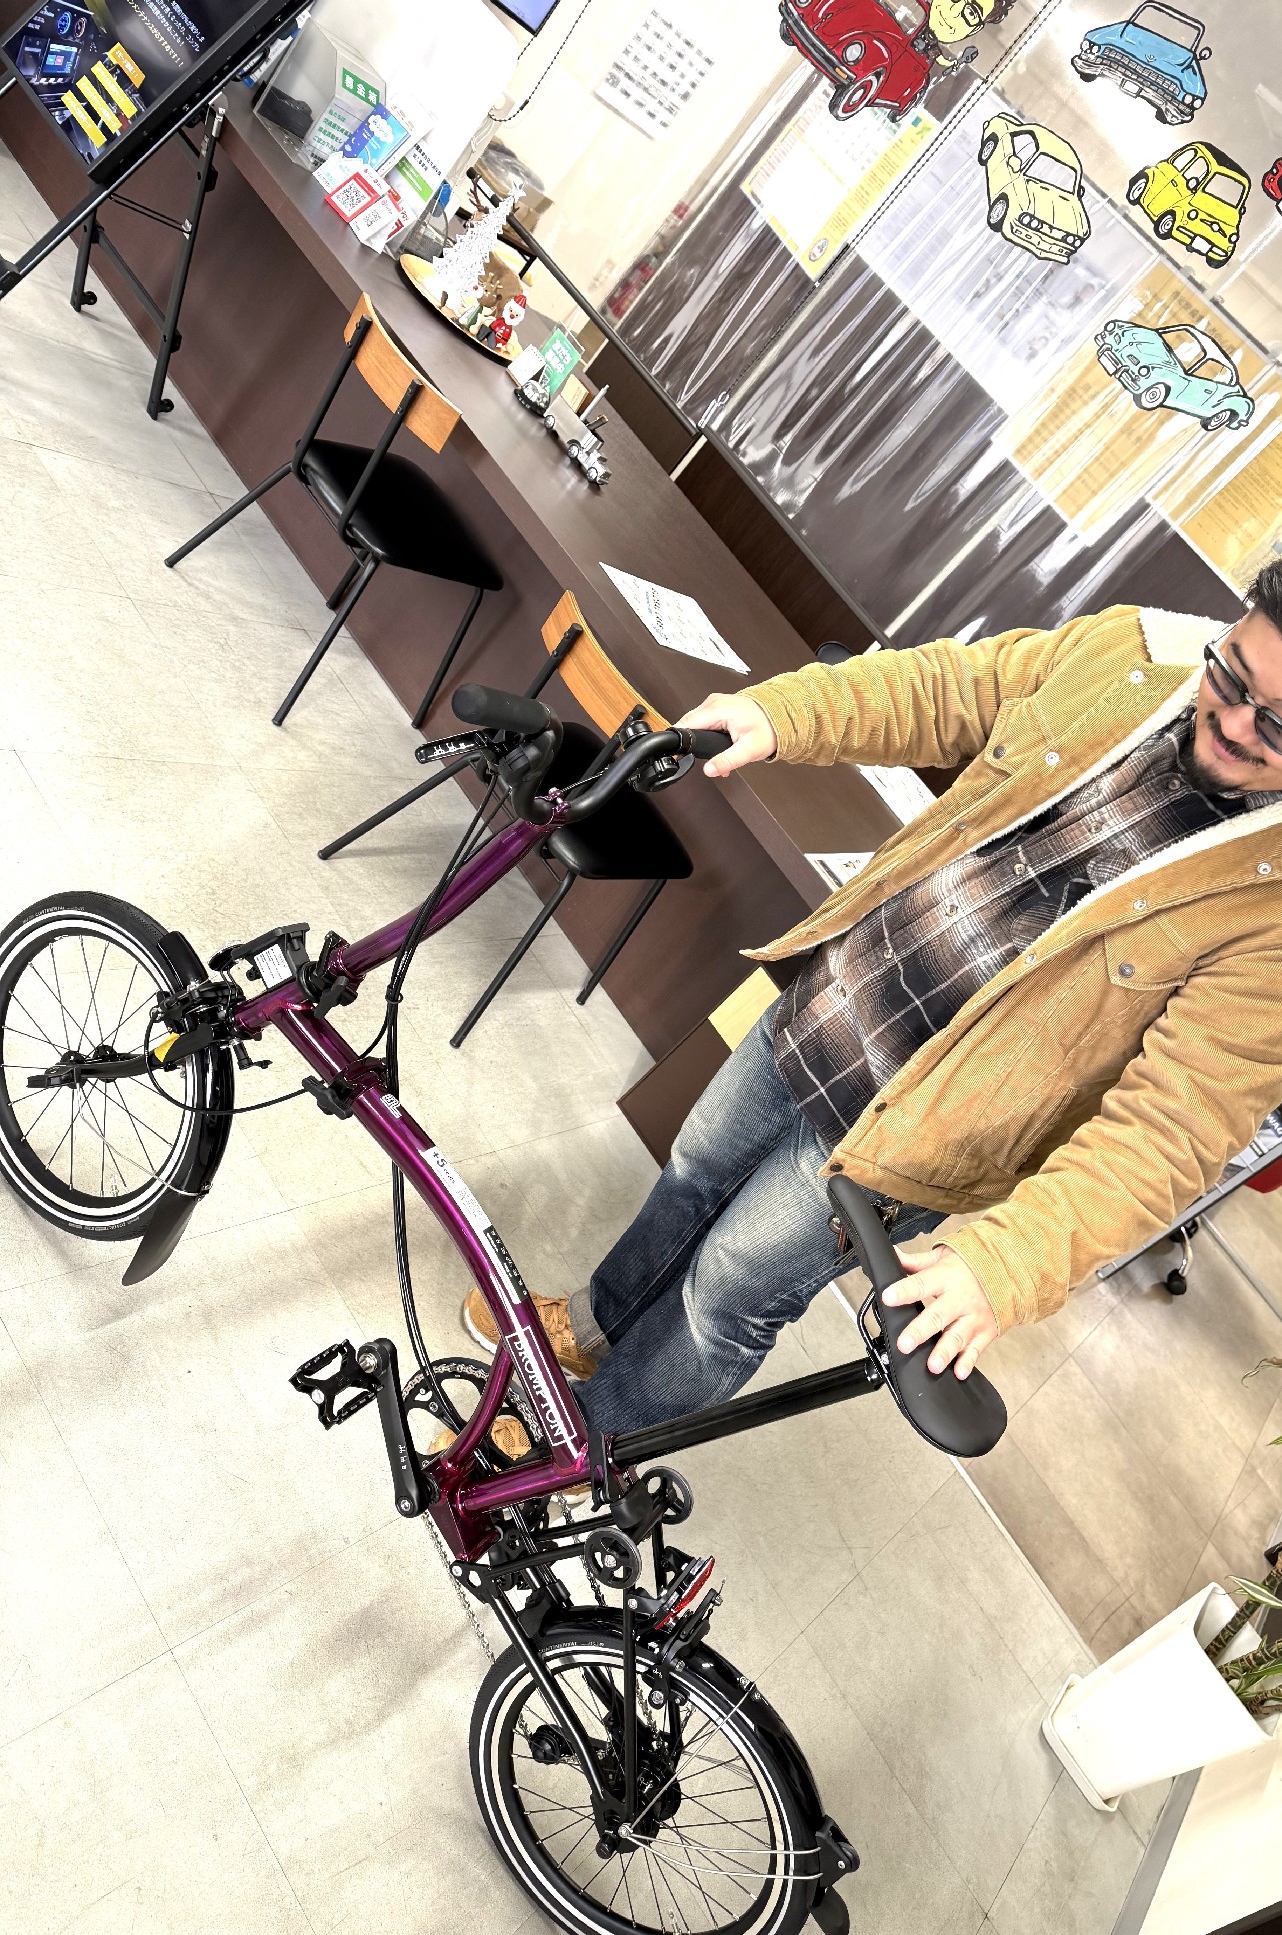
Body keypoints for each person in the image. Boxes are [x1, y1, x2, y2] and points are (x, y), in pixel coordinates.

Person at [465, 575, 1282, 1437]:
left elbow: (1173, 1129)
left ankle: (581, 1445)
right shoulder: (1132, 651)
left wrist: (1009, 1263)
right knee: (693, 1173)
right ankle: (595, 1328)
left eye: (1276, 725)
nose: (1233, 724)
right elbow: (948, 687)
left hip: (912, 1139)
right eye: (1231, 675)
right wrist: (785, 714)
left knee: (726, 1294)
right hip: (833, 1000)